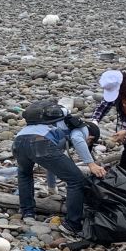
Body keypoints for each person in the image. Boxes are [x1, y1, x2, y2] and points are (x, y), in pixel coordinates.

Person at [14, 102, 107, 238]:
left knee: (25, 174)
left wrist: (52, 188)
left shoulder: (54, 127)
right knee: (76, 180)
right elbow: (77, 138)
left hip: (18, 141)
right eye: (89, 144)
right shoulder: (81, 128)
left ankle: (27, 212)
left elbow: (52, 163)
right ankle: (72, 225)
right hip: (39, 142)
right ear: (91, 138)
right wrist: (91, 164)